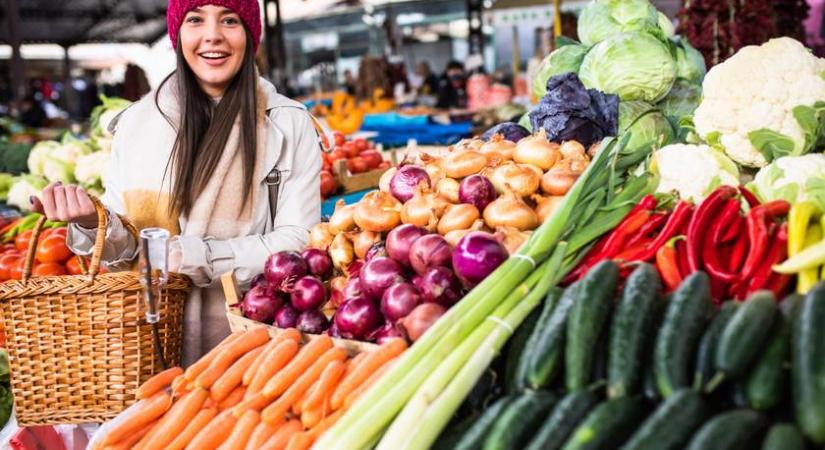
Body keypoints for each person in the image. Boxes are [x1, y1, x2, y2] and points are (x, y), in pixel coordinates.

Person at [32, 0, 322, 365]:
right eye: (195, 19)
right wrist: (92, 222)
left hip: (252, 349)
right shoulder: (136, 125)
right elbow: (127, 250)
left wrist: (201, 257)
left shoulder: (287, 123)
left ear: (250, 35)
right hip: (149, 345)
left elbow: (300, 241)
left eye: (229, 20)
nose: (212, 35)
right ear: (177, 33)